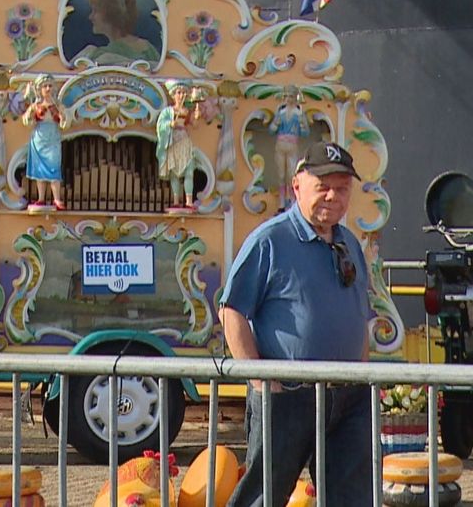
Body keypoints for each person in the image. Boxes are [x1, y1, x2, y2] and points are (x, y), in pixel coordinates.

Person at [221, 141, 372, 507]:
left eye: (342, 188)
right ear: (296, 187)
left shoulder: (350, 242)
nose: (333, 196)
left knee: (352, 496)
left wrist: (365, 374)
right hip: (288, 393)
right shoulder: (269, 241)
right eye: (323, 187)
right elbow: (232, 311)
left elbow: (360, 312)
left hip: (349, 395)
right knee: (265, 495)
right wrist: (259, 378)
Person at [73, 0, 160, 65]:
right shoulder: (148, 47)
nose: (90, 17)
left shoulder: (101, 55)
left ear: (109, 14)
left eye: (95, 11)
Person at [22, 74, 65, 210]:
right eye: (45, 86)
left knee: (54, 167)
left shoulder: (57, 105)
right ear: (39, 89)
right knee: (39, 171)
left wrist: (63, 115)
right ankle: (41, 198)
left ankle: (56, 199)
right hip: (39, 137)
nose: (47, 88)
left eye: (50, 86)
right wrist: (29, 113)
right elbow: (27, 121)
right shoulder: (36, 105)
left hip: (52, 137)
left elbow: (65, 120)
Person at [156, 81, 200, 211]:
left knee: (189, 172)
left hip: (184, 142)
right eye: (178, 93)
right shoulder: (168, 112)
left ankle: (189, 201)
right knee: (174, 173)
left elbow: (195, 126)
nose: (181, 96)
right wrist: (170, 124)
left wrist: (196, 117)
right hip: (173, 142)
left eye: (183, 93)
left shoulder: (186, 111)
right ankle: (176, 200)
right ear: (173, 95)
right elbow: (160, 125)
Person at [268, 86, 310, 212]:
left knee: (291, 174)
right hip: (281, 145)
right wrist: (276, 123)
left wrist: (302, 124)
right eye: (286, 96)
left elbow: (305, 133)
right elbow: (271, 130)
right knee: (280, 174)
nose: (288, 99)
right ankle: (281, 202)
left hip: (292, 145)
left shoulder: (299, 114)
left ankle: (292, 200)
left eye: (290, 96)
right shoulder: (280, 113)